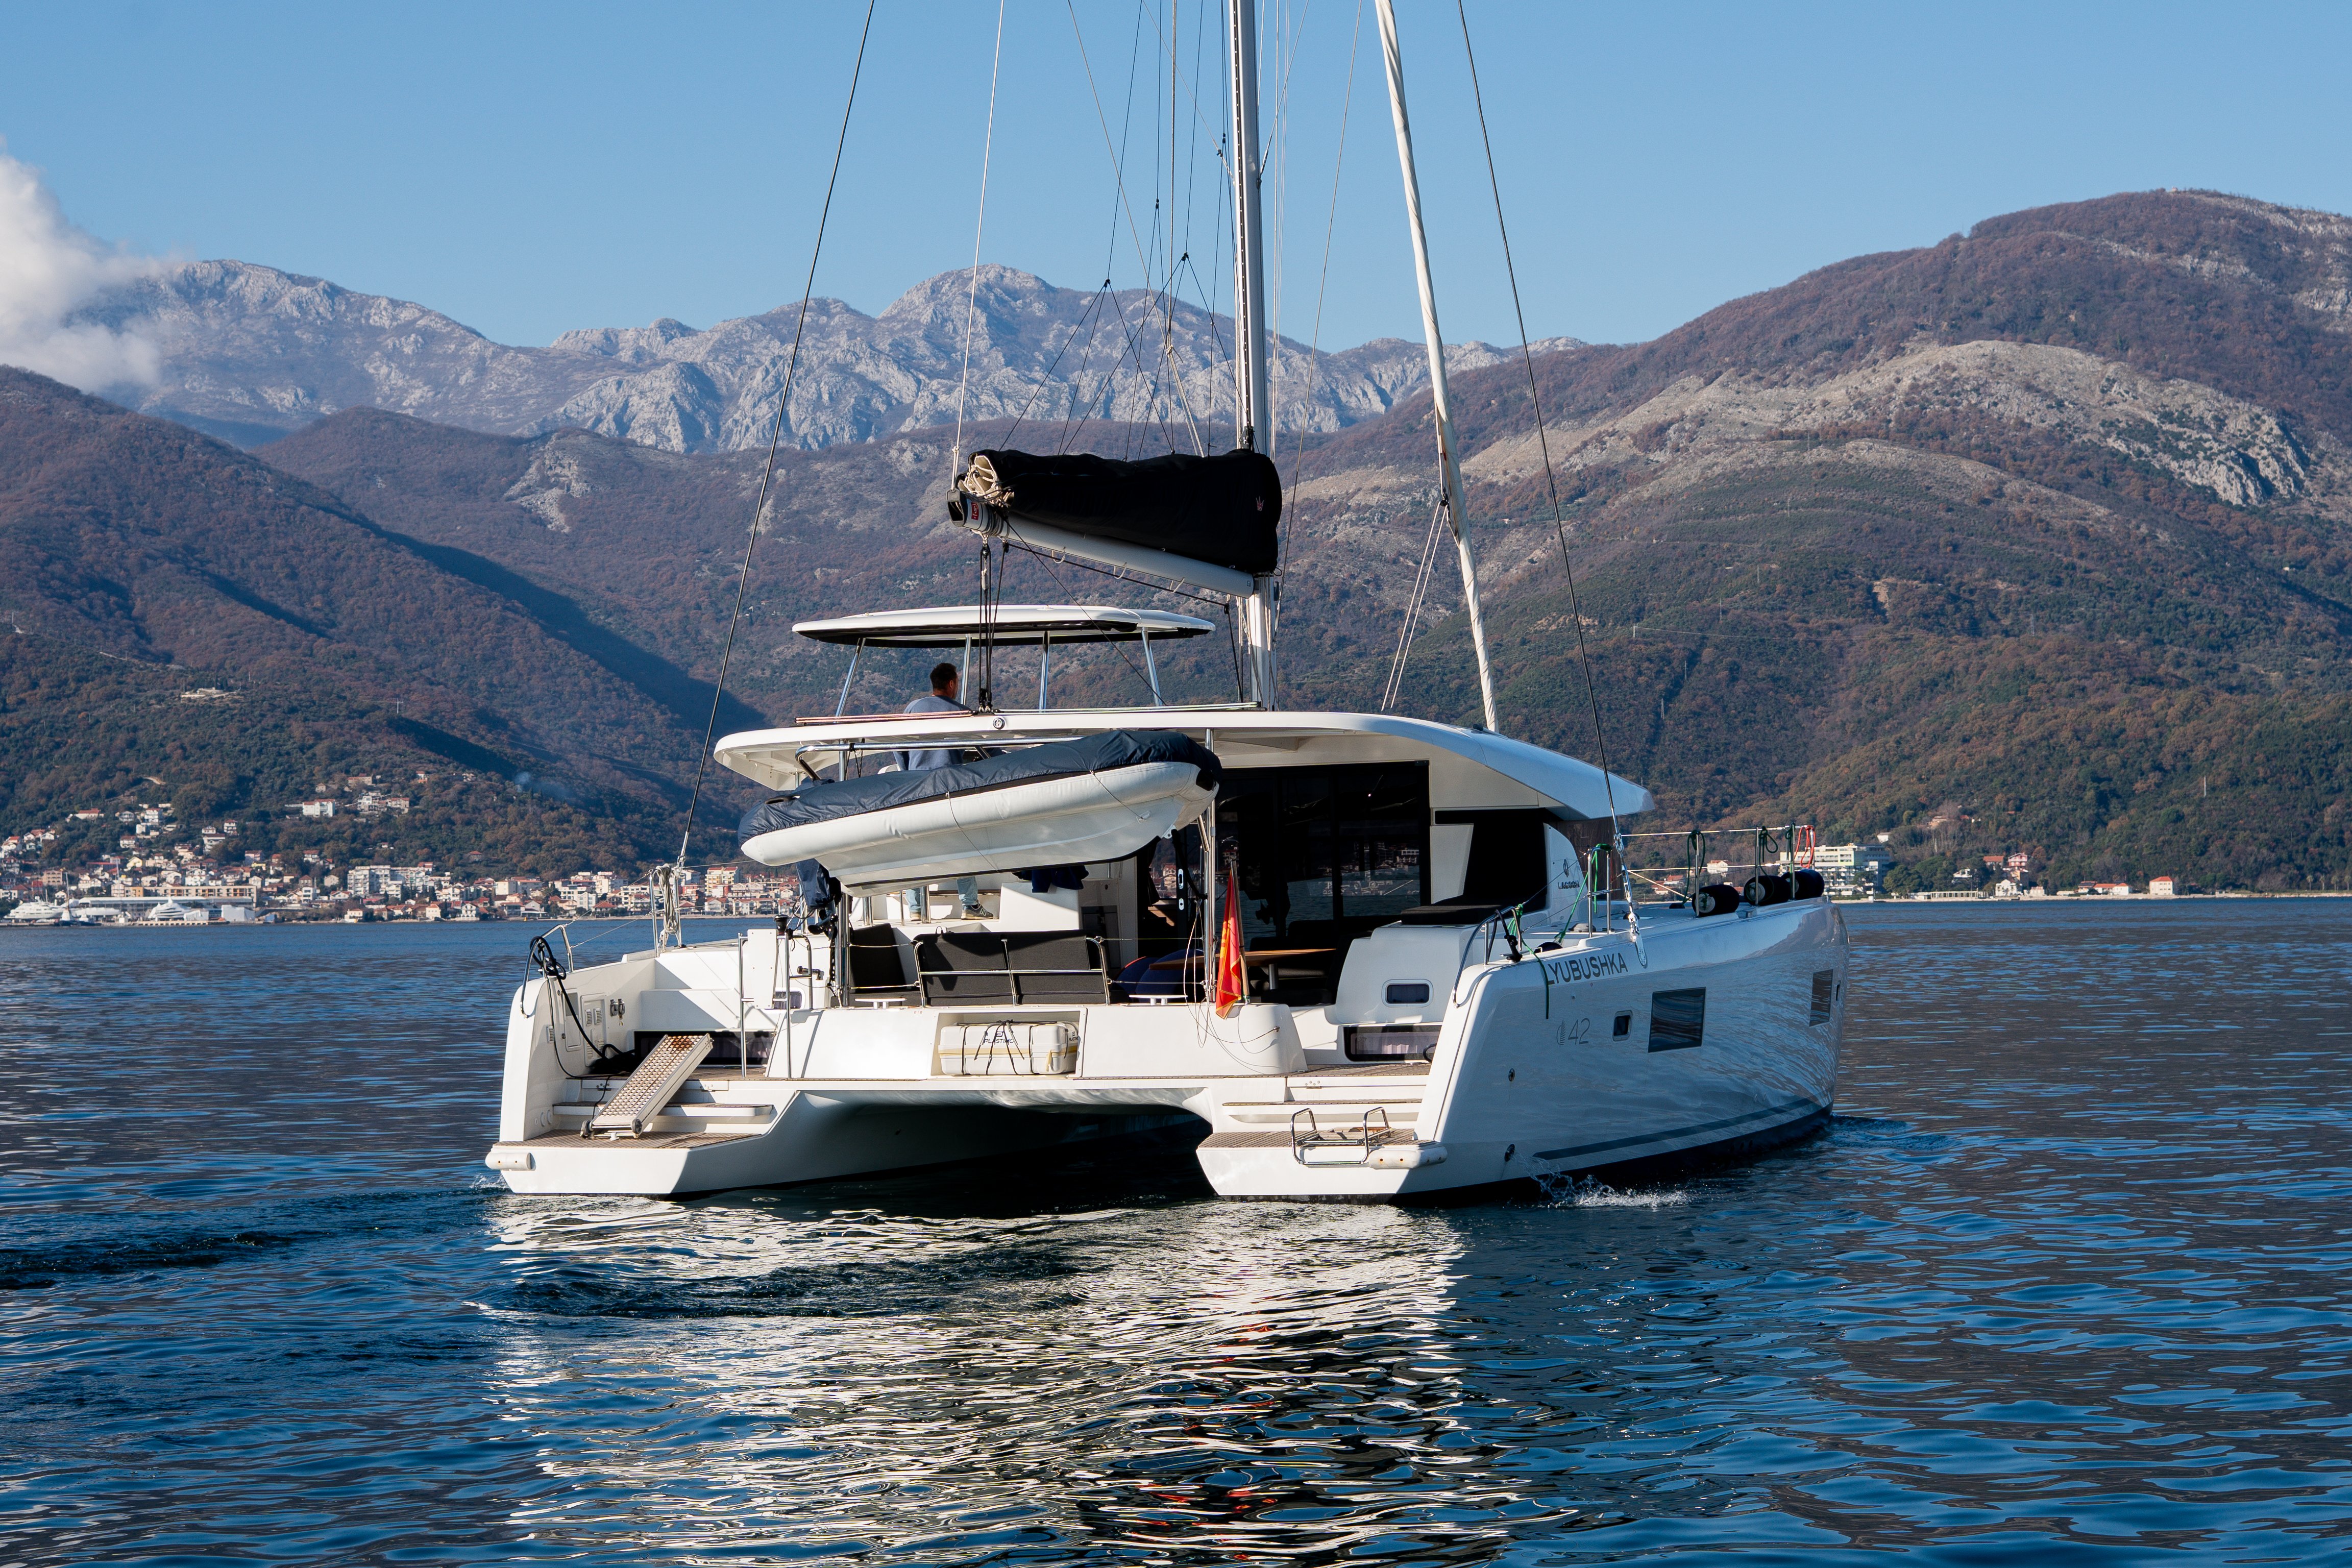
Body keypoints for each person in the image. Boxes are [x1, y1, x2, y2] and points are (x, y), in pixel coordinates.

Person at [902, 663, 982, 918]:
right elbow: (984, 747)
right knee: (961, 846)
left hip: (916, 788)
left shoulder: (912, 709)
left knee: (915, 849)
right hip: (950, 787)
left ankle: (915, 908)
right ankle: (969, 905)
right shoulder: (961, 712)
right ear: (952, 684)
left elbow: (899, 746)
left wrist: (908, 773)